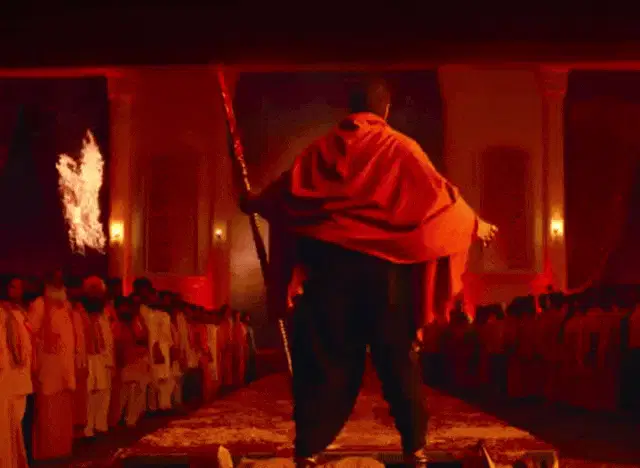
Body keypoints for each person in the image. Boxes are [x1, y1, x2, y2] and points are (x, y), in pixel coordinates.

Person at [240, 77, 497, 467]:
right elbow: (441, 197)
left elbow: (288, 192)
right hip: (385, 278)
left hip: (331, 276)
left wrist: (255, 201)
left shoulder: (322, 149)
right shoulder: (401, 148)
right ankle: (415, 449)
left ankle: (308, 449)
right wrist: (475, 223)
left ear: (350, 107)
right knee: (398, 362)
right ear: (386, 109)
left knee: (325, 362)